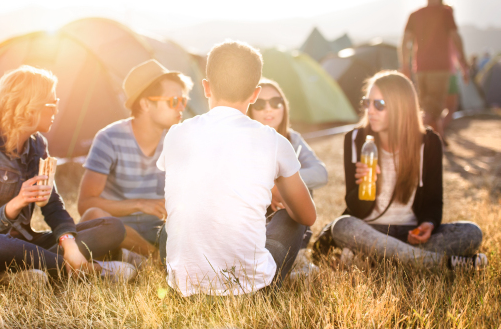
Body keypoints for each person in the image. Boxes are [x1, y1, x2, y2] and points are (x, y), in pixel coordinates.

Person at [0, 66, 135, 282]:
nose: (56, 110)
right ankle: (87, 270)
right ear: (29, 107)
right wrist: (17, 202)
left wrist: (69, 244)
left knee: (112, 227)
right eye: (52, 104)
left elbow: (52, 204)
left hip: (26, 243)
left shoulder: (37, 144)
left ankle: (23, 273)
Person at [157, 40, 317, 296]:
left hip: (183, 288)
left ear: (206, 87)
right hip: (251, 292)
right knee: (291, 217)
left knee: (174, 225)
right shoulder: (274, 141)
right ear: (255, 94)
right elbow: (308, 217)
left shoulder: (176, 134)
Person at [317, 71, 486, 271]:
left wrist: (428, 224)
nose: (370, 111)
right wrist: (367, 186)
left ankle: (380, 259)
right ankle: (439, 264)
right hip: (369, 230)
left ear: (401, 107)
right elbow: (355, 209)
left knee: (471, 233)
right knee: (343, 227)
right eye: (366, 103)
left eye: (378, 105)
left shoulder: (429, 143)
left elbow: (433, 201)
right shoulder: (355, 140)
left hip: (410, 234)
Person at [77, 60, 193, 259]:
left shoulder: (178, 140)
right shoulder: (109, 138)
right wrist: (140, 204)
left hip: (160, 230)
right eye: (174, 101)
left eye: (183, 101)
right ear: (146, 103)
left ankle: (130, 258)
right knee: (95, 217)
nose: (181, 107)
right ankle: (151, 257)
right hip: (119, 228)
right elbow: (85, 205)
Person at [247, 79, 327, 276]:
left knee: (302, 188)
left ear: (284, 107)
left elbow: (320, 173)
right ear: (250, 109)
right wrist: (268, 186)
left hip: (285, 217)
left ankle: (296, 254)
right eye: (259, 103)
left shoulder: (293, 139)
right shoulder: (245, 139)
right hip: (254, 225)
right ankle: (275, 259)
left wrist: (282, 183)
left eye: (276, 102)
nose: (269, 109)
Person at [400, 0, 469, 140]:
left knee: (427, 107)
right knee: (433, 110)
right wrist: (464, 62)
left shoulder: (415, 15)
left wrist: (405, 64)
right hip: (440, 67)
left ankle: (437, 141)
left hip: (420, 68)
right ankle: (413, 137)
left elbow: (405, 42)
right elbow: (456, 37)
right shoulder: (445, 13)